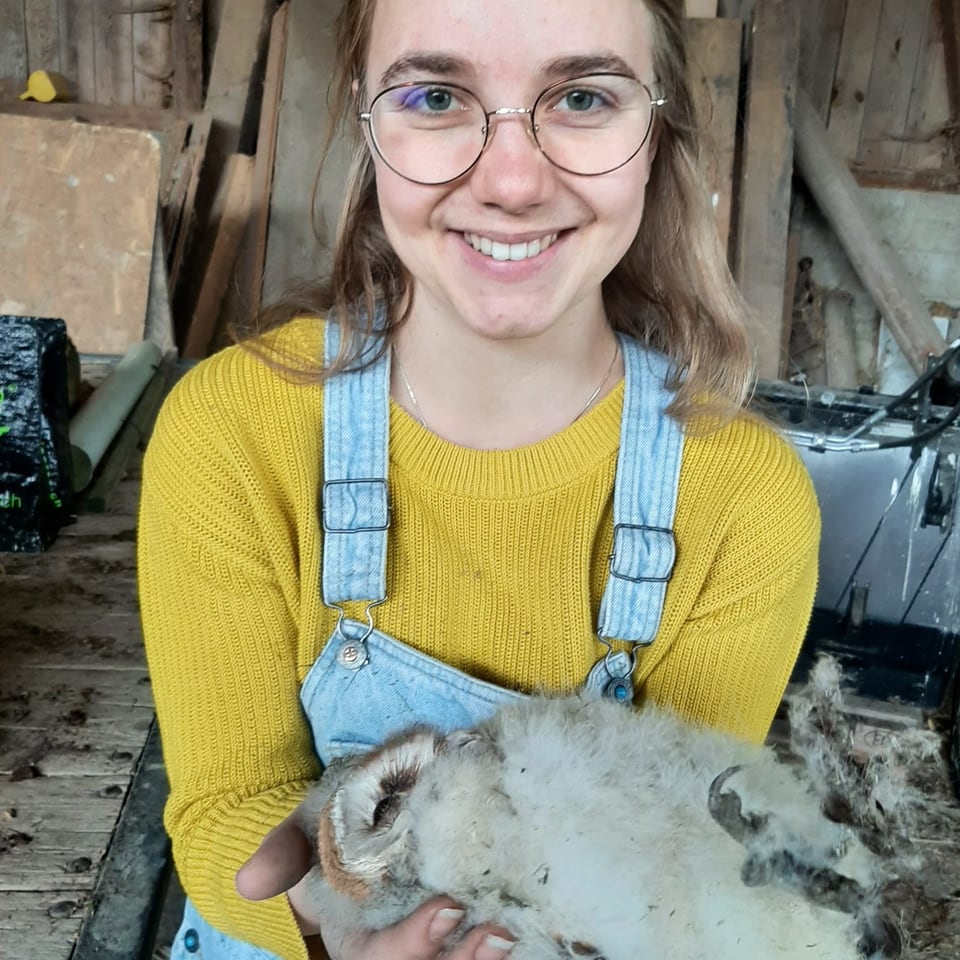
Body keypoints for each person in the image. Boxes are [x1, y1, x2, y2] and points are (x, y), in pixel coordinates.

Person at [137, 0, 821, 958]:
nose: (511, 181)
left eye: (582, 97)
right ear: (369, 125)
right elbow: (224, 812)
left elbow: (675, 841)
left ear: (656, 135)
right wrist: (331, 917)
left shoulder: (745, 503)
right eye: (434, 96)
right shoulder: (231, 436)